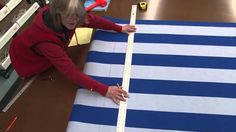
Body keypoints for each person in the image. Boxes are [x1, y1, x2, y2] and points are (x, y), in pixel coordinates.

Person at [9, 0, 136, 104]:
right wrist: (106, 90)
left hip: (45, 48)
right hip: (25, 59)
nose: (74, 20)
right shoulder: (46, 42)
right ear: (58, 12)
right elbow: (71, 72)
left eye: (77, 15)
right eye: (69, 16)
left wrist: (118, 28)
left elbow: (91, 20)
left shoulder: (69, 15)